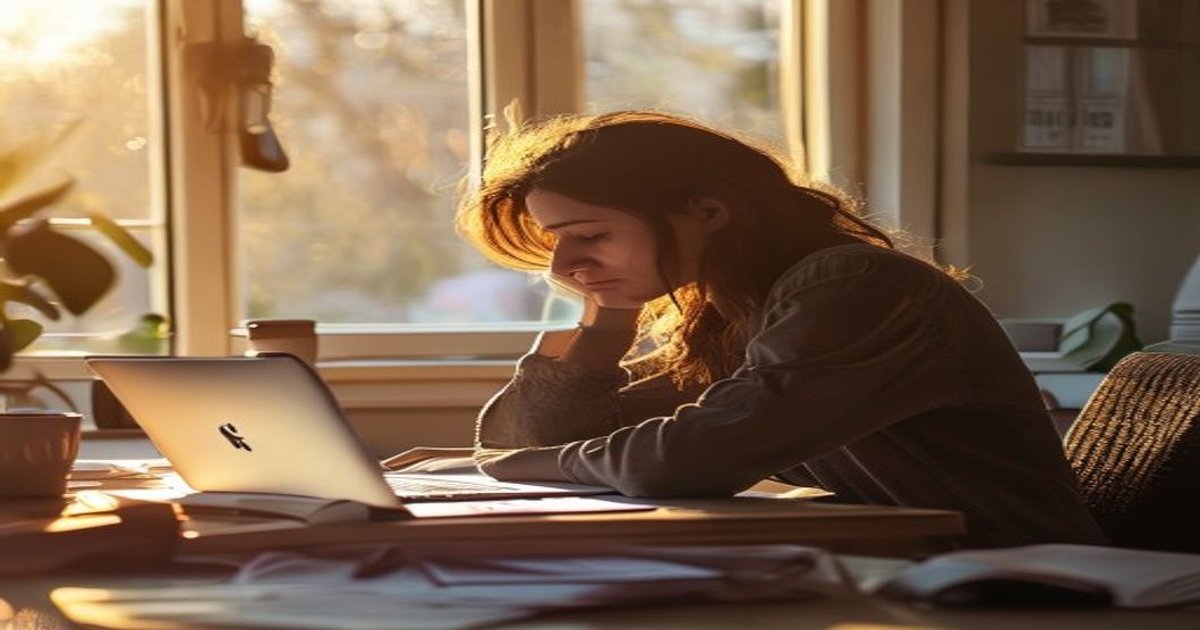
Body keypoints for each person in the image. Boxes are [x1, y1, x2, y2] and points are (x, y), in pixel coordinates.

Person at [454, 110, 1104, 548]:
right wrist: (606, 323)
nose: (562, 268)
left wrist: (511, 466)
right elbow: (531, 439)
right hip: (898, 567)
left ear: (709, 212)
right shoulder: (732, 310)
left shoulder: (854, 288)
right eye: (558, 243)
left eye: (591, 236)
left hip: (1010, 583)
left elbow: (685, 459)